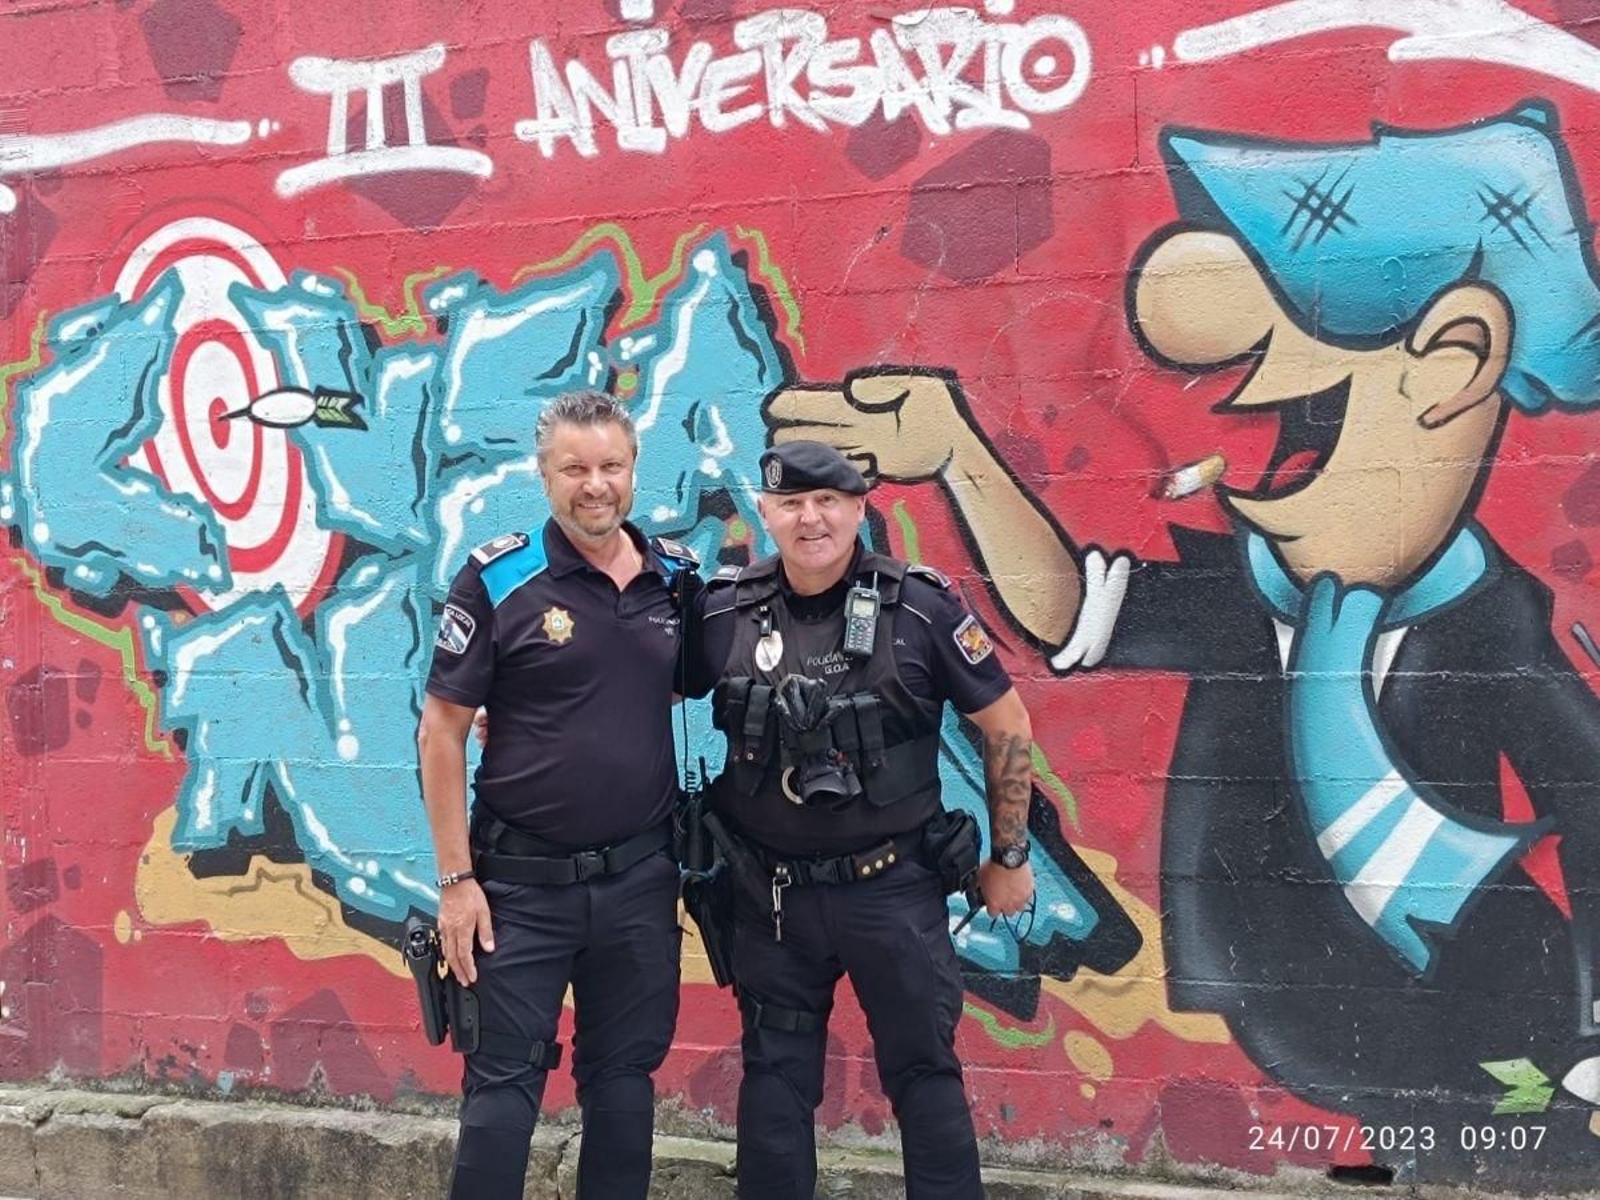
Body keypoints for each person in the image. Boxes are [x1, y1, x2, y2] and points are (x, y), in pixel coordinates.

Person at [688, 439, 1037, 1199]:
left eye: (828, 501)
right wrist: (505, 713)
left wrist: (1008, 857)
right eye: (791, 503)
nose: (810, 518)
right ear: (767, 512)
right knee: (775, 1084)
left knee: (924, 1076)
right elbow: (621, 680)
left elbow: (1007, 724)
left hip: (893, 891)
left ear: (857, 507)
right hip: (768, 896)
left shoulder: (920, 607)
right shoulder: (721, 612)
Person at [416, 389, 698, 1199]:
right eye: (574, 467)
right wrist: (455, 882)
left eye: (611, 465)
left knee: (623, 1083)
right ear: (544, 475)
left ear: (634, 470)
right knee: (502, 1090)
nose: (594, 484)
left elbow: (671, 684)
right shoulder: (498, 581)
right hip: (517, 892)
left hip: (641, 883)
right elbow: (440, 732)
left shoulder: (675, 581)